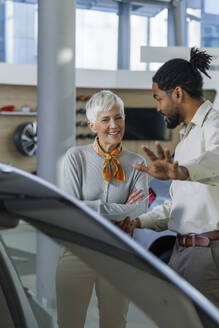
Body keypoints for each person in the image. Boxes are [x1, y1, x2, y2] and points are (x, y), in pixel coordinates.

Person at [126, 48, 219, 328]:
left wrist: (185, 171)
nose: (158, 108)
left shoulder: (214, 125)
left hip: (207, 253)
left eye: (159, 98)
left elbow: (216, 159)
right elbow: (180, 206)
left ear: (177, 93)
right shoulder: (186, 140)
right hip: (184, 251)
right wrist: (137, 221)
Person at [56, 90, 148, 328]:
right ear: (92, 125)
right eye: (106, 119)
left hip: (119, 253)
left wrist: (93, 209)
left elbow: (141, 208)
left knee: (115, 323)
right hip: (78, 252)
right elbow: (72, 209)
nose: (114, 125)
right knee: (70, 323)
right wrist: (122, 209)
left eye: (119, 117)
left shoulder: (137, 163)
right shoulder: (75, 157)